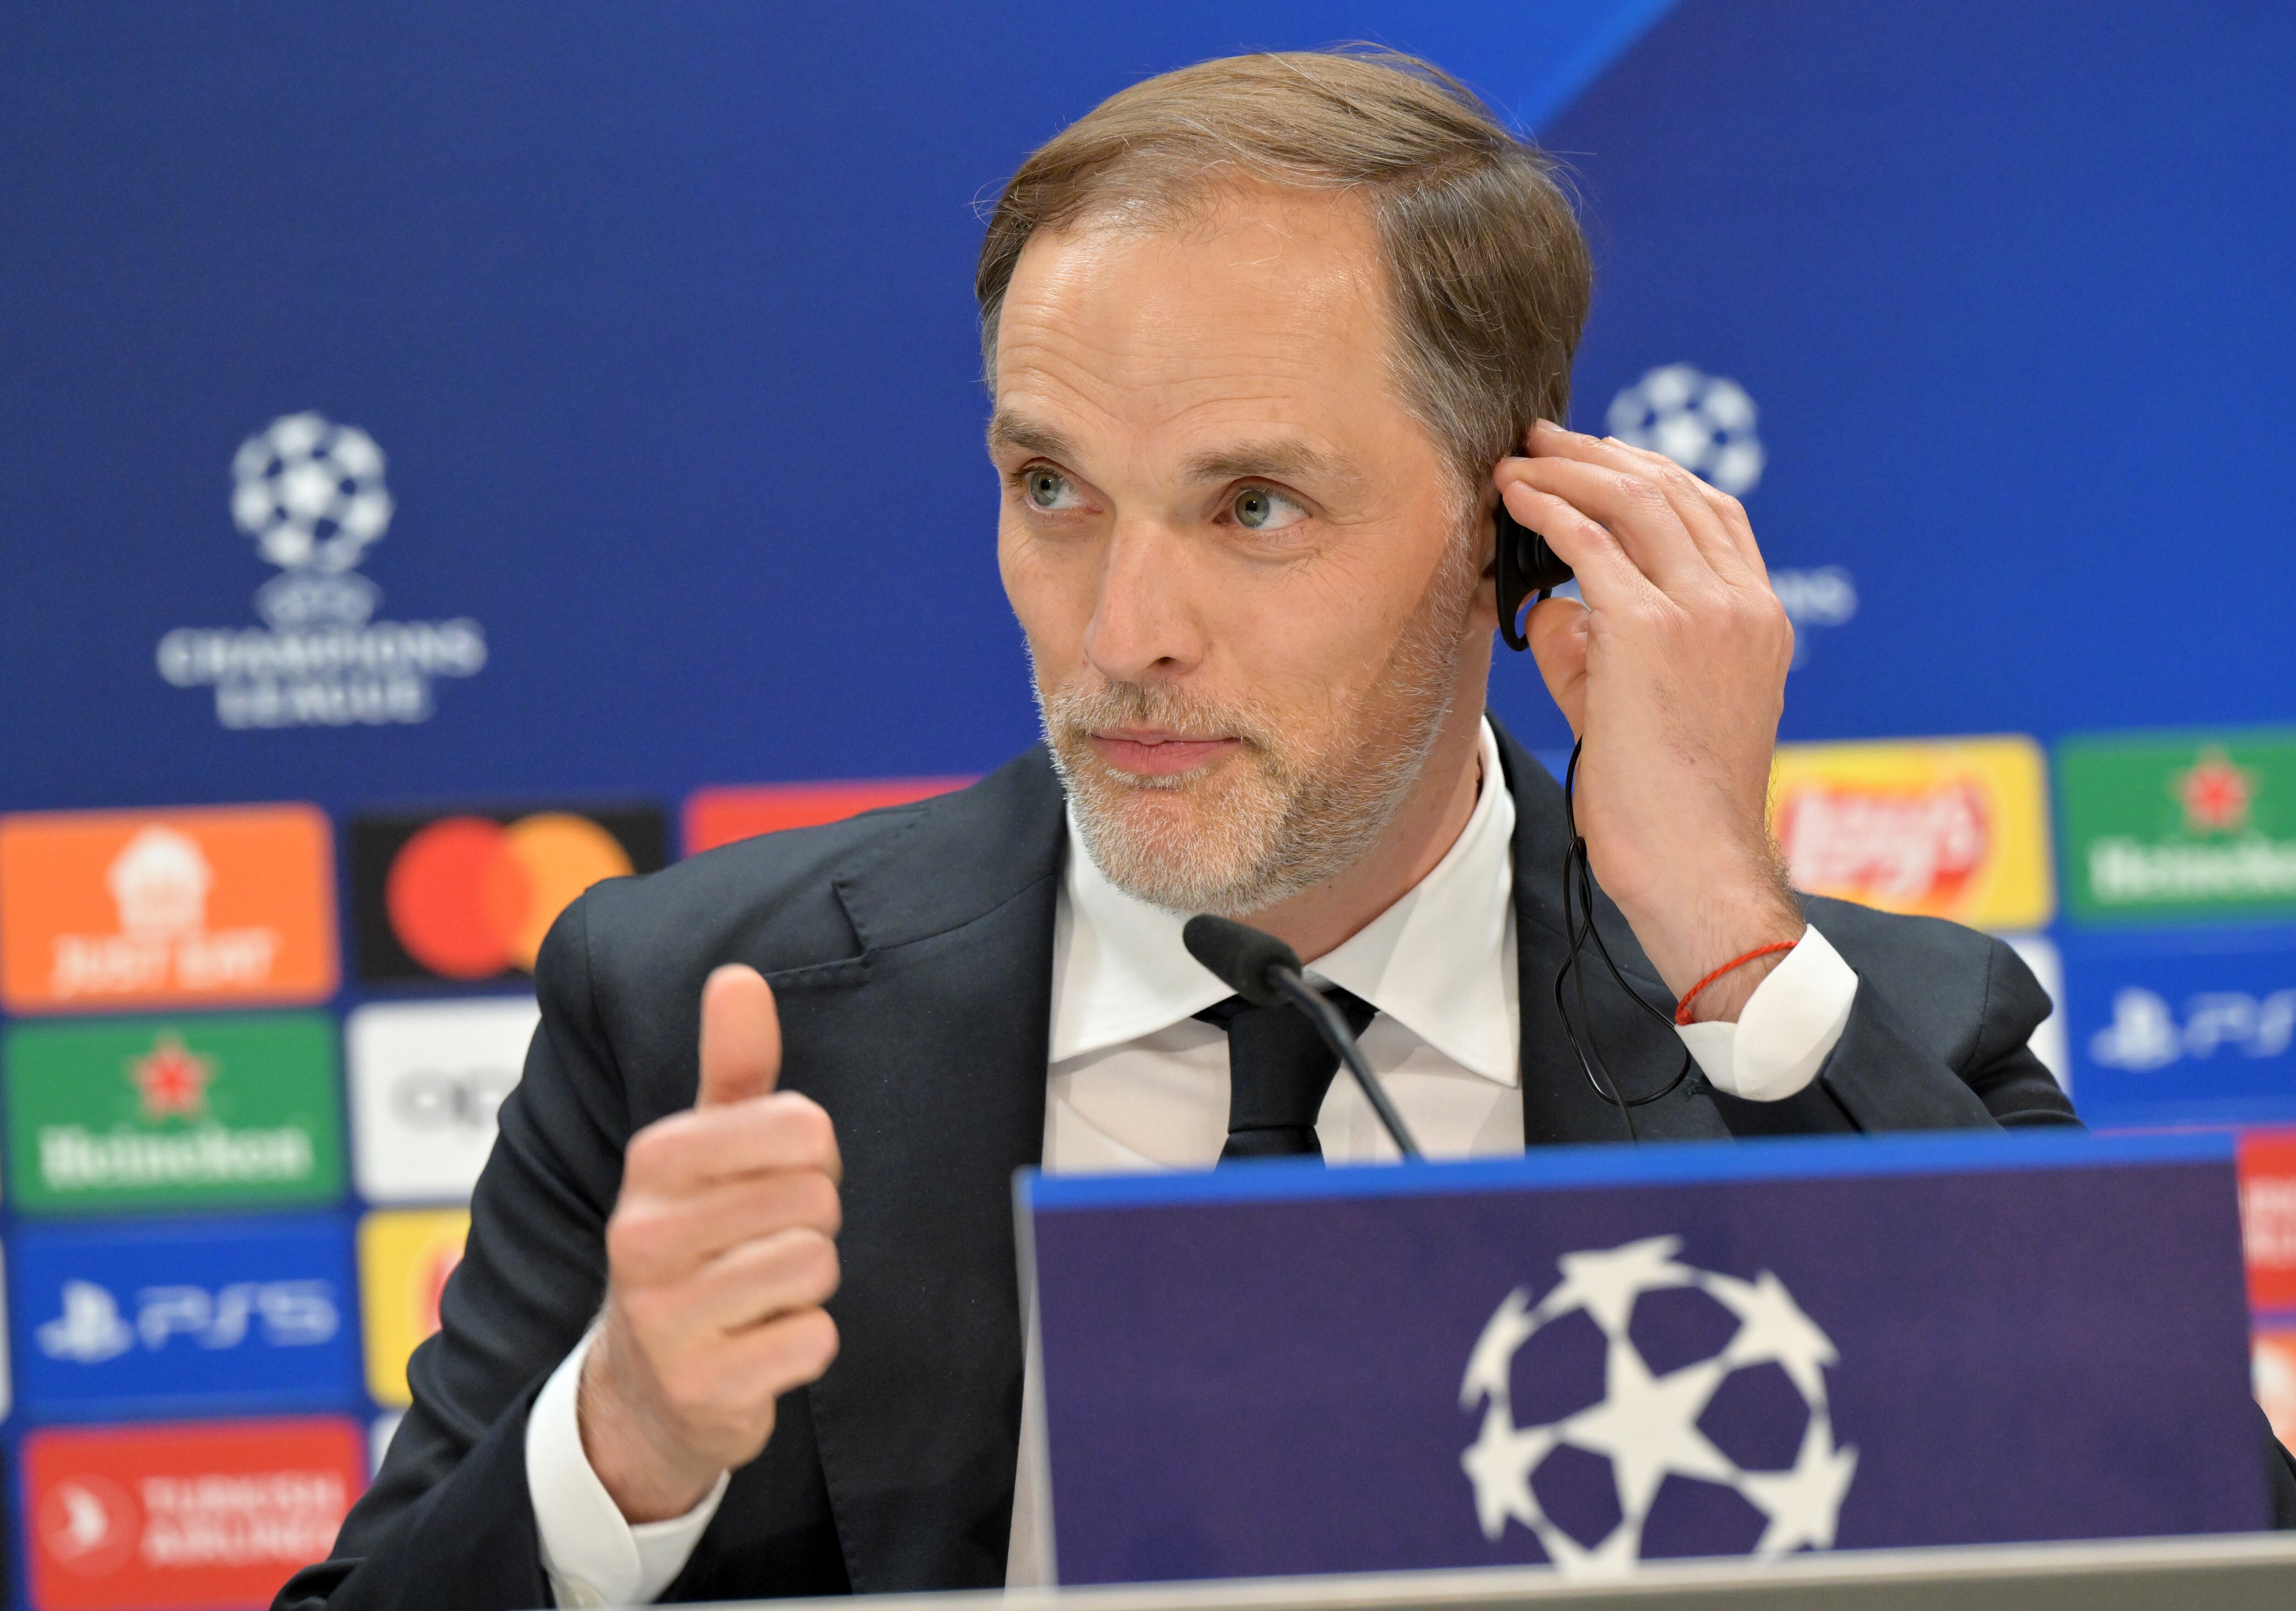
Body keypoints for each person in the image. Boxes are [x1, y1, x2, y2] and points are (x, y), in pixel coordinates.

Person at [277, 47, 2291, 1611]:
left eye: (1252, 507)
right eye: (1051, 488)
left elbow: (2204, 1556)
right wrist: (620, 1448)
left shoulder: (1849, 1024)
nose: (1123, 635)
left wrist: (1726, 946)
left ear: (1510, 530)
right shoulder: (707, 1011)